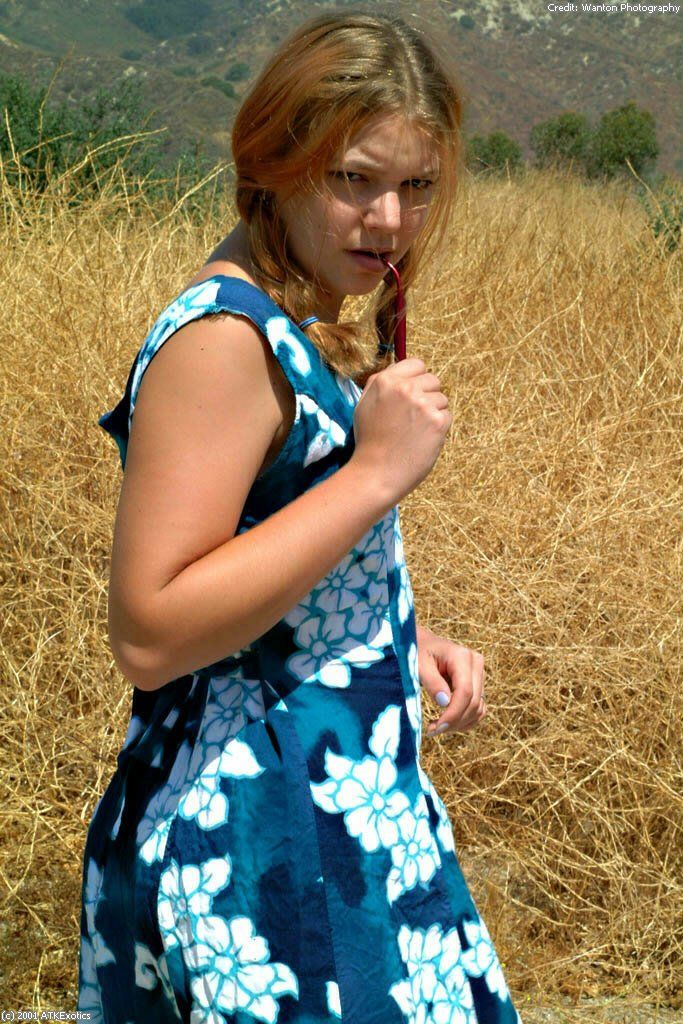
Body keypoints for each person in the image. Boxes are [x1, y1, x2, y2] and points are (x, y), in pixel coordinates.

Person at [77, 9, 523, 1023]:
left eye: (417, 186)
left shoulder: (290, 315)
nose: (389, 220)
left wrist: (380, 633)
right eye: (353, 179)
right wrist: (373, 476)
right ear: (274, 161)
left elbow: (256, 559)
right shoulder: (223, 342)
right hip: (261, 851)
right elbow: (150, 630)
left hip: (324, 822)